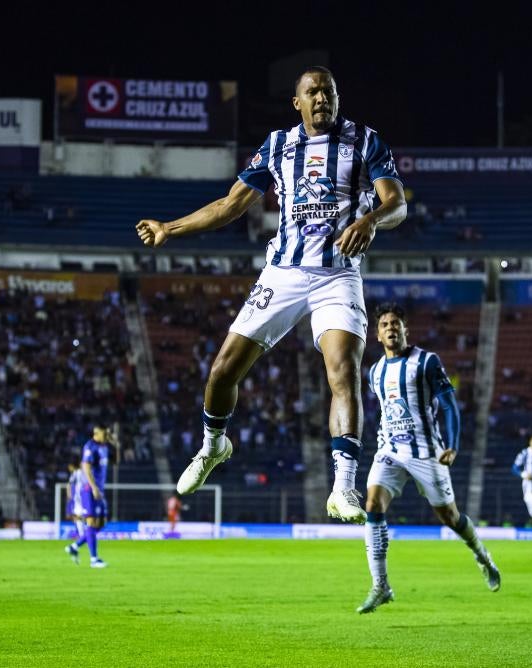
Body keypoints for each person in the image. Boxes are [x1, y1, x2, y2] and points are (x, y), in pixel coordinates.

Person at [136, 66, 406, 524]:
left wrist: (370, 220)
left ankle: (343, 488)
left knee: (344, 371)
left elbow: (396, 202)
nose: (321, 98)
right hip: (282, 274)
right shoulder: (278, 146)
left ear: (337, 98)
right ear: (296, 103)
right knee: (222, 372)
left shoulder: (365, 141)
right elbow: (229, 205)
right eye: (312, 92)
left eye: (329, 91)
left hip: (337, 276)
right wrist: (169, 228)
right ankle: (213, 445)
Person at [356, 303, 500, 614]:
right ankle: (381, 585)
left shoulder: (426, 362)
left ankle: (481, 553)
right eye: (384, 324)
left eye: (396, 323)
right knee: (372, 504)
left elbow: (449, 405)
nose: (391, 328)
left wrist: (453, 444)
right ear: (377, 334)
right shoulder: (375, 372)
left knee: (450, 518)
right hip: (390, 450)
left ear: (405, 329)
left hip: (426, 453)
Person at [69, 425, 112, 569]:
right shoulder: (90, 446)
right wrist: (93, 487)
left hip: (99, 490)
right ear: (97, 433)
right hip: (89, 489)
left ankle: (75, 546)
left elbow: (116, 458)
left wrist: (115, 441)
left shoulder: (104, 446)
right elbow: (85, 467)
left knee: (102, 522)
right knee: (91, 522)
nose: (107, 435)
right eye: (105, 433)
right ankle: (94, 559)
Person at [64, 462, 87, 565]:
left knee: (86, 534)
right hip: (81, 506)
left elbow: (69, 485)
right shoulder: (79, 473)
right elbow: (69, 485)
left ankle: (74, 549)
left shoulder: (81, 473)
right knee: (87, 534)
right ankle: (73, 548)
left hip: (81, 505)